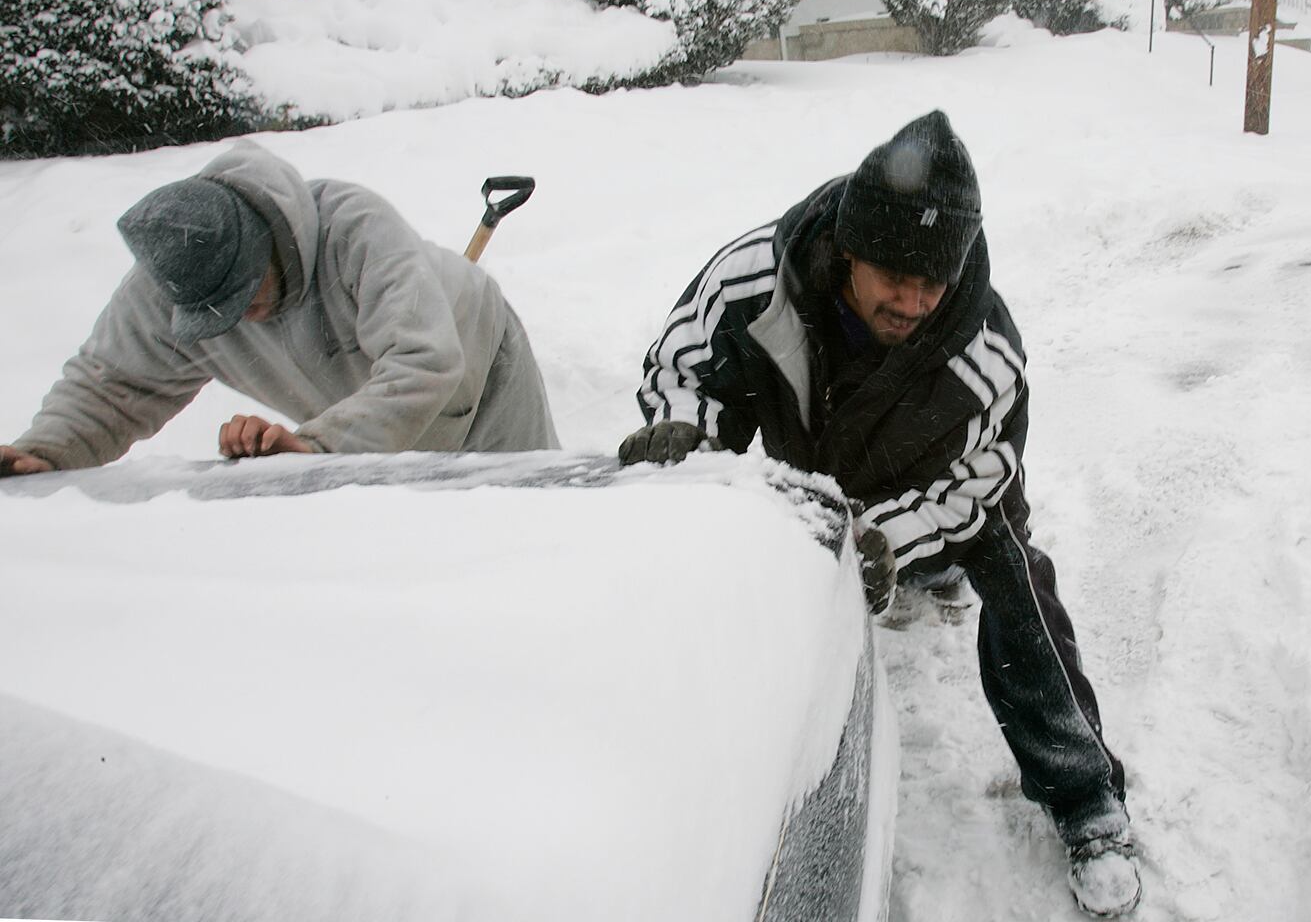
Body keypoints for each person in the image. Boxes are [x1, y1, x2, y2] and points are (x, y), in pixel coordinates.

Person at [618, 111, 1139, 917]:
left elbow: (981, 478)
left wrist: (889, 538)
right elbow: (684, 365)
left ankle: (1084, 791)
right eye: (895, 277)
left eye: (933, 283)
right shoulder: (759, 277)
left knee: (1010, 564)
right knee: (694, 525)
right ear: (850, 249)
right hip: (810, 462)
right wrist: (689, 435)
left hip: (926, 495)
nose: (913, 301)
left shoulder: (983, 350)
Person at [0, 140, 557, 477]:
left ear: (269, 241)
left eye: (243, 296)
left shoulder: (354, 228)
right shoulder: (176, 277)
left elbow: (425, 363)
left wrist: (317, 447)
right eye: (215, 313)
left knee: (524, 507)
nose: (236, 319)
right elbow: (111, 386)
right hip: (358, 415)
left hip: (480, 368)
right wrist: (48, 451)